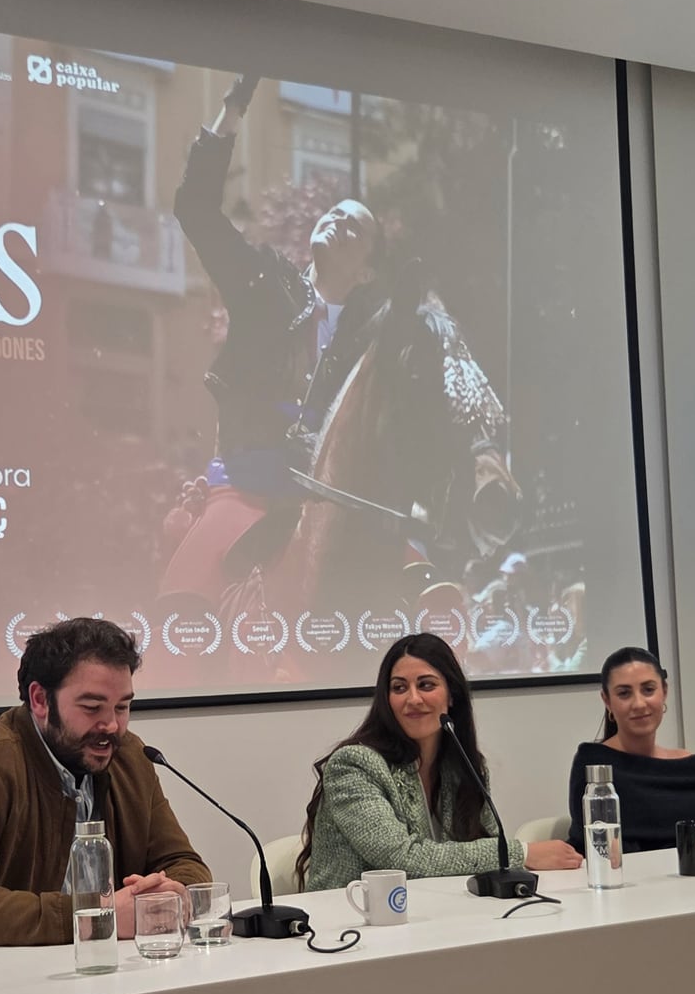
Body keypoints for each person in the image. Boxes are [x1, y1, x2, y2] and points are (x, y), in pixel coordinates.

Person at [161, 73, 520, 616]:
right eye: (334, 214)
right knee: (183, 603)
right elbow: (195, 209)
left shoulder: (381, 326)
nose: (337, 220)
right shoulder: (262, 283)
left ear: (369, 264)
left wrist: (481, 458)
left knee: (429, 600)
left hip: (338, 502)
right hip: (247, 485)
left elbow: (438, 373)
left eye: (355, 226)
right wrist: (232, 111)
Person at [0, 618, 211, 945]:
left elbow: (186, 865)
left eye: (122, 707)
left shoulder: (132, 756)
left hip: (109, 970)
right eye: (92, 707)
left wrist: (171, 893)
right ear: (40, 700)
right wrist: (97, 915)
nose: (111, 725)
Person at [297, 633, 582, 892]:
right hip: (350, 924)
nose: (413, 698)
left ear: (452, 695)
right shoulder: (354, 766)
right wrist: (523, 853)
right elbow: (402, 859)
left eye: (426, 685)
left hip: (437, 914)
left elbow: (486, 843)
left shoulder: (462, 766)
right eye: (399, 688)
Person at [564, 647, 695, 854]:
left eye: (648, 690)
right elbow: (598, 847)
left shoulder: (691, 766)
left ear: (664, 692)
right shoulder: (594, 765)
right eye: (624, 693)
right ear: (607, 700)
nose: (639, 704)